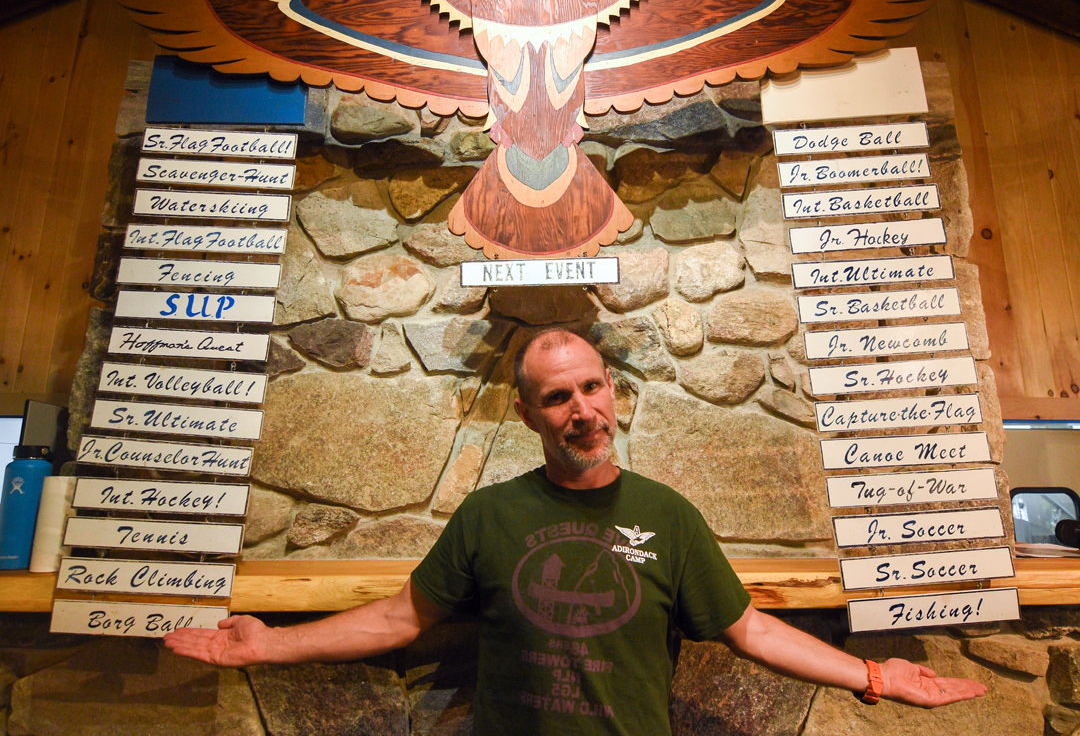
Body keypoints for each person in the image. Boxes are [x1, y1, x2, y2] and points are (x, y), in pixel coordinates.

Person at [164, 327, 987, 734]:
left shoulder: (667, 514)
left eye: (592, 388)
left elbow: (752, 629)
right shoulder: (489, 514)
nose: (582, 409)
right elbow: (397, 618)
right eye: (558, 397)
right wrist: (267, 644)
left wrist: (872, 674)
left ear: (613, 395)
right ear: (528, 414)